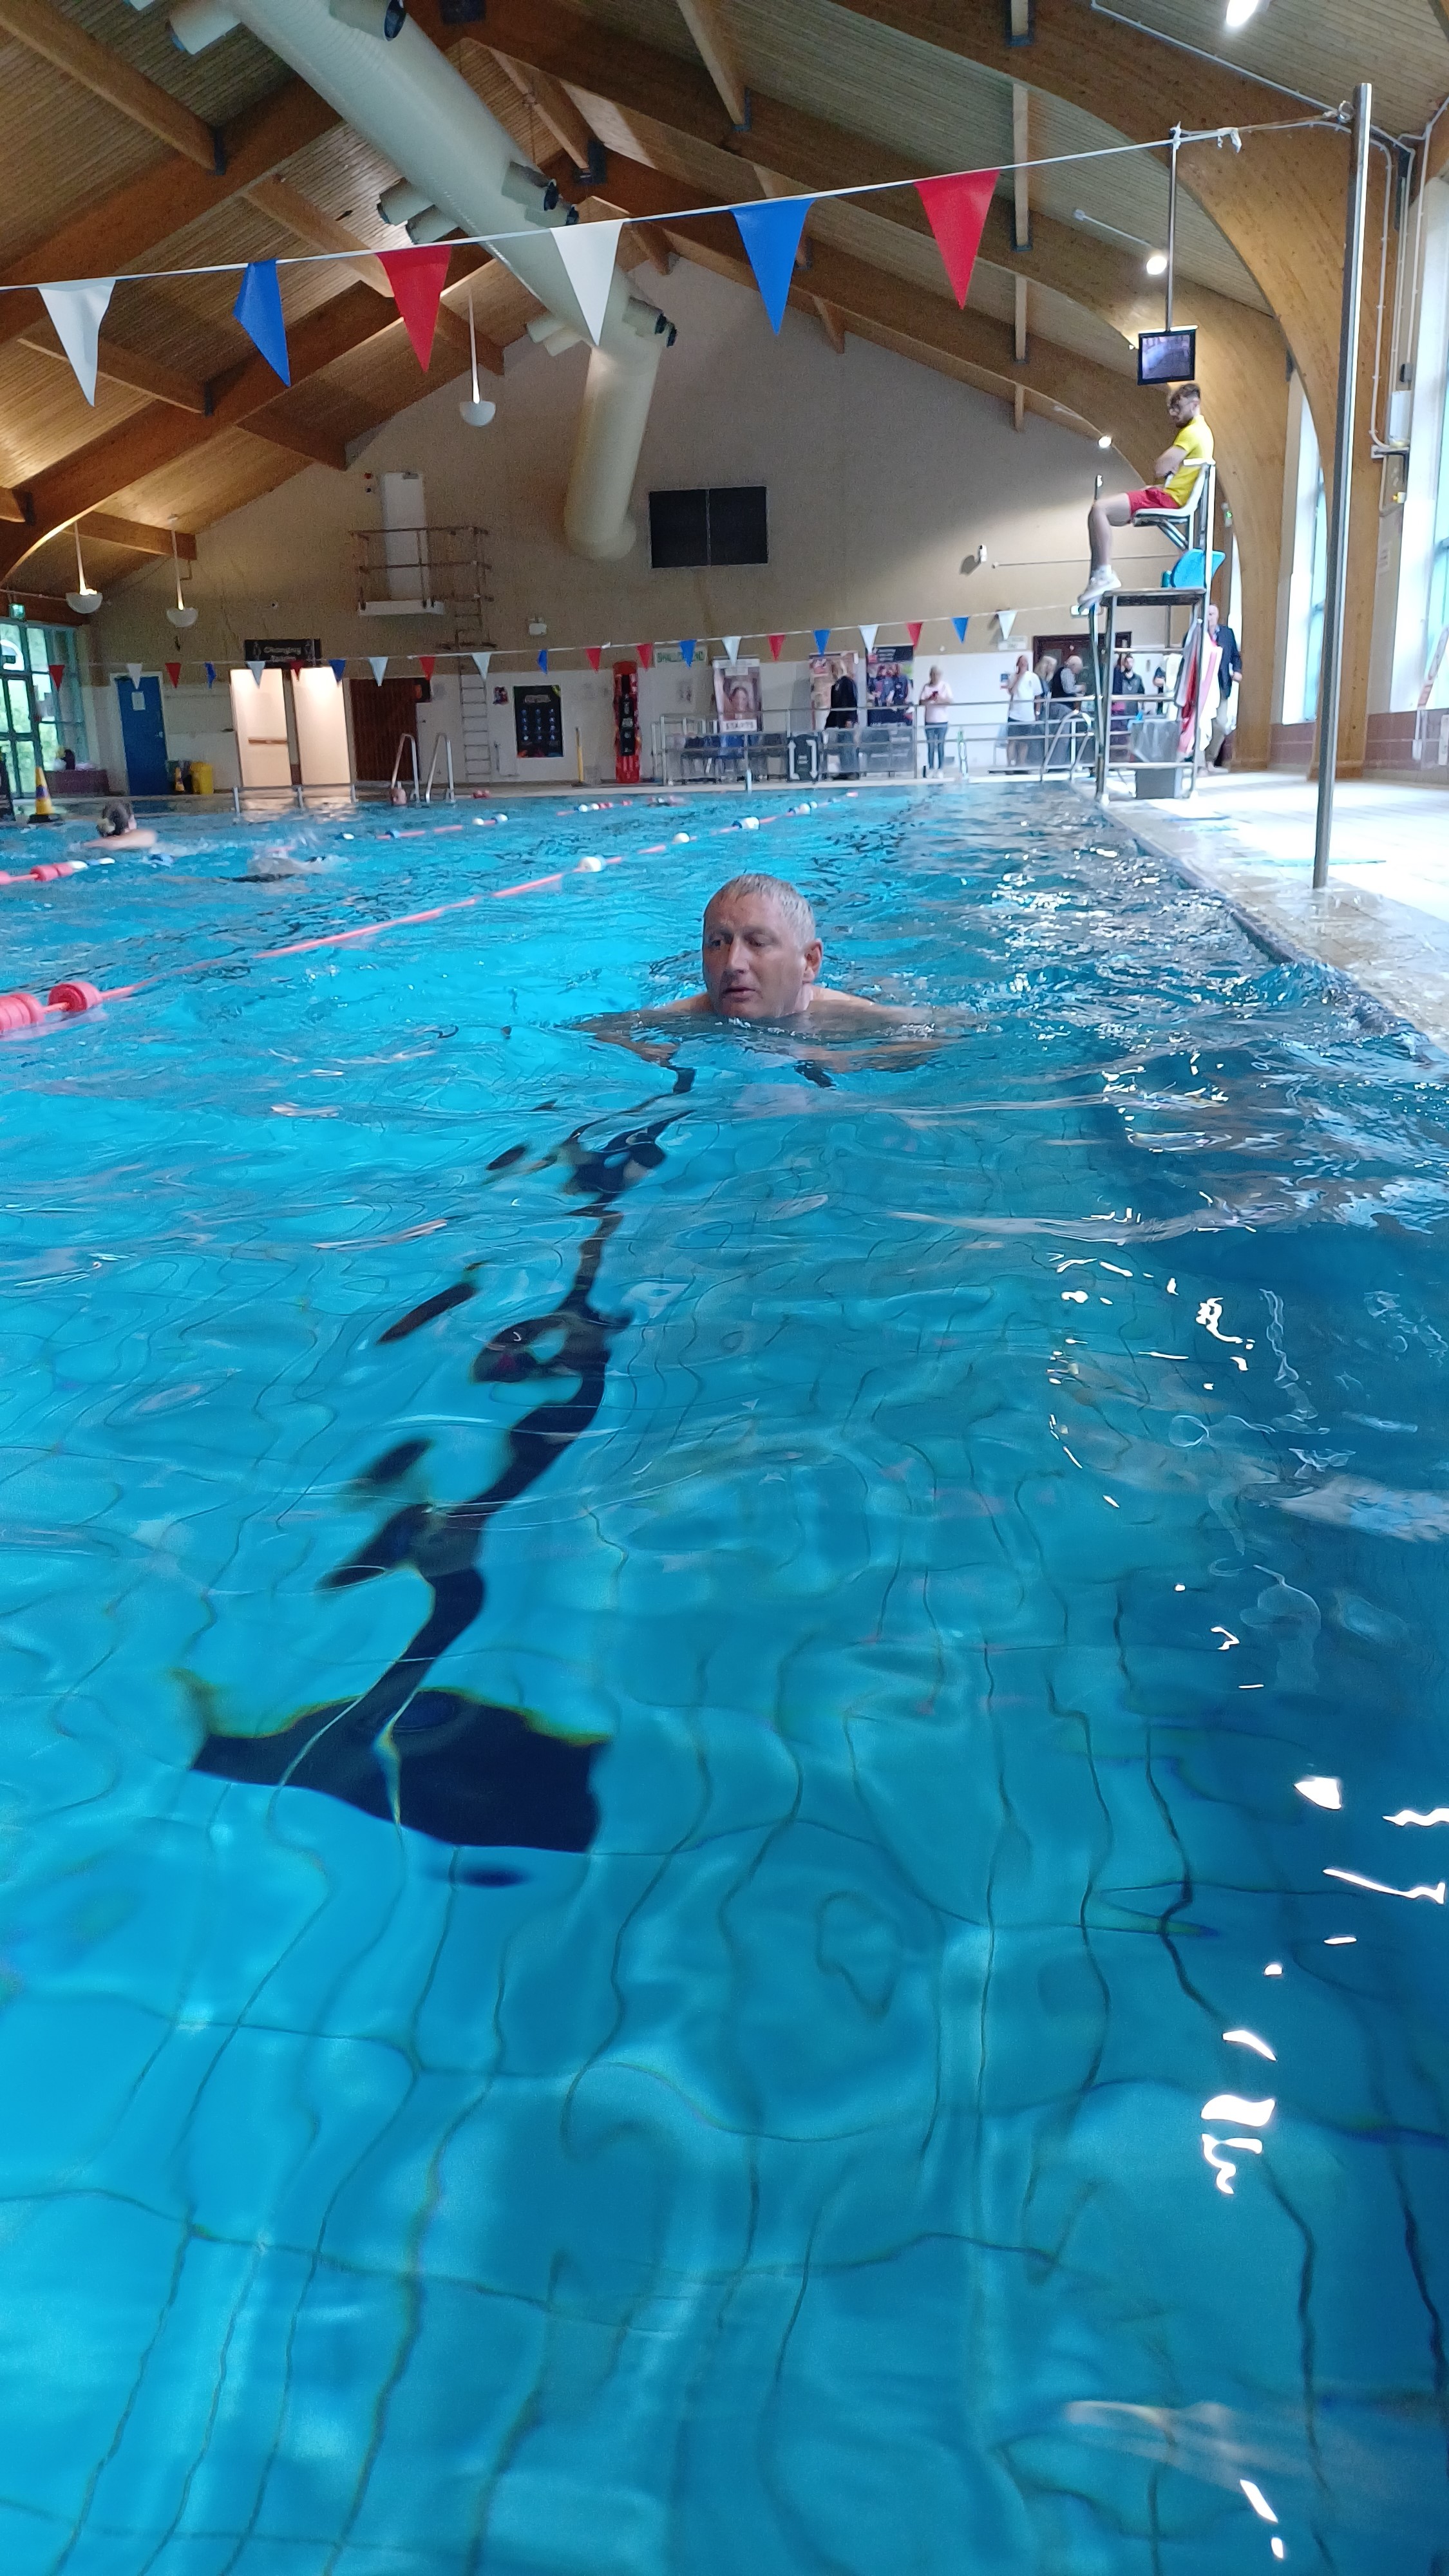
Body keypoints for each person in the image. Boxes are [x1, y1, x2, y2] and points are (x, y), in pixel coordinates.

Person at [582, 875, 935, 1061]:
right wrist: (640, 1050)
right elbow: (594, 1029)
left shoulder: (844, 1016)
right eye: (717, 944)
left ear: (809, 962)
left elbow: (943, 1032)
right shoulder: (691, 1015)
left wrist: (855, 1060)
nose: (732, 964)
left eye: (757, 942)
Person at [1075, 383, 1214, 613]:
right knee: (1108, 516)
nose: (1173, 414)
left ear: (1195, 404)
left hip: (1169, 499)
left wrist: (1167, 471)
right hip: (1168, 495)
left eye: (1177, 408)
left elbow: (1160, 467)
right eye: (1171, 409)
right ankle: (1101, 575)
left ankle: (1103, 574)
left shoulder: (1193, 432)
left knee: (1100, 509)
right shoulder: (1205, 434)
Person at [1205, 601, 1242, 766]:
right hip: (1202, 685)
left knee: (1220, 723)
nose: (1209, 618)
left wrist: (1237, 670)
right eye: (1207, 614)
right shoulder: (1197, 633)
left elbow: (1235, 655)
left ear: (1218, 615)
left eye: (1212, 614)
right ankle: (1200, 764)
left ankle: (1210, 757)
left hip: (1222, 685)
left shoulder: (1227, 634)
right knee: (1201, 723)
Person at [1005, 652, 1043, 767]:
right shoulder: (1012, 677)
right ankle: (1010, 765)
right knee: (1012, 741)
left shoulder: (1033, 677)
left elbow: (1038, 696)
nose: (1023, 664)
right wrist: (1019, 676)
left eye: (1025, 662)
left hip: (1028, 716)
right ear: (1018, 664)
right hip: (1014, 715)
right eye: (1021, 662)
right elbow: (1012, 691)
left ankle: (1021, 764)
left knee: (1024, 742)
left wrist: (1037, 712)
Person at [75, 799, 157, 851]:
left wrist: (89, 845)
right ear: (130, 823)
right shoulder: (146, 835)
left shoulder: (96, 844)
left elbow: (113, 843)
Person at [919, 665, 952, 772]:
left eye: (937, 674)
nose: (935, 677)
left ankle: (941, 769)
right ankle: (931, 768)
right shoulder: (926, 687)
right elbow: (921, 702)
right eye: (933, 674)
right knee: (931, 746)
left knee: (941, 745)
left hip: (942, 722)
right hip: (929, 722)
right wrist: (930, 699)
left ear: (940, 675)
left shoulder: (945, 686)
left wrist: (939, 699)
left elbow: (950, 701)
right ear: (930, 675)